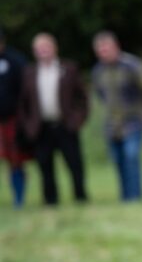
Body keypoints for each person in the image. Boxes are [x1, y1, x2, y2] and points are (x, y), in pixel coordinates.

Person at [18, 33, 89, 205]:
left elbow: (82, 97)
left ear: (54, 48)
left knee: (74, 163)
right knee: (44, 165)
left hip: (65, 125)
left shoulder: (69, 68)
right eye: (39, 49)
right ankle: (50, 200)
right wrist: (28, 126)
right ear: (34, 52)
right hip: (42, 127)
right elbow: (23, 103)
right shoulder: (29, 73)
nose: (43, 51)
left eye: (46, 47)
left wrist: (77, 120)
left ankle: (80, 197)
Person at [91, 31, 142, 202]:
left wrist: (138, 110)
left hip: (134, 121)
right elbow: (100, 95)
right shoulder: (98, 71)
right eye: (100, 50)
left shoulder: (132, 66)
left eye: (107, 48)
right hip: (112, 123)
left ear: (116, 46)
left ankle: (135, 197)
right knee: (118, 160)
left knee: (131, 155)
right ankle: (125, 196)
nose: (104, 52)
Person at [0, 26, 31, 208]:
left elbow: (26, 91)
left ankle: (19, 198)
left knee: (15, 160)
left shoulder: (16, 61)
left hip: (12, 119)